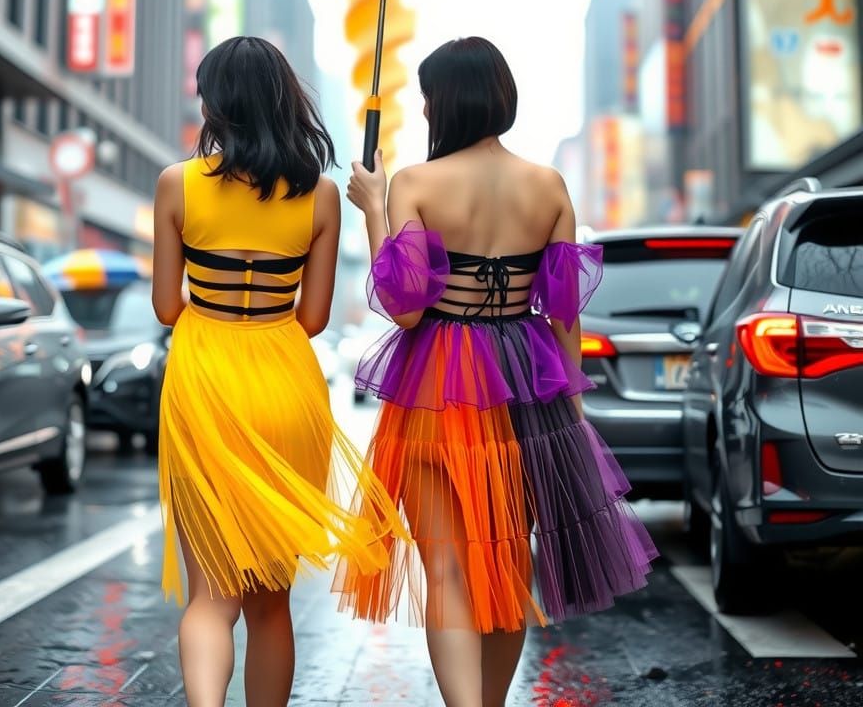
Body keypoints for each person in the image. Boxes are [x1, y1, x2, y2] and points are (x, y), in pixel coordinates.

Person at [337, 37, 657, 707]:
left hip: (437, 382)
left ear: (443, 104)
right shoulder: (548, 185)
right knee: (510, 563)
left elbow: (405, 307)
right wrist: (569, 416)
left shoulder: (415, 184)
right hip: (527, 380)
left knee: (447, 567)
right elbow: (564, 314)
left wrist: (372, 211)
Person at [152, 36, 406, 707]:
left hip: (204, 381)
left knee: (212, 595)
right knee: (270, 604)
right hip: (285, 381)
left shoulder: (176, 184)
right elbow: (315, 315)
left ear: (217, 103)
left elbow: (164, 305)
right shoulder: (321, 196)